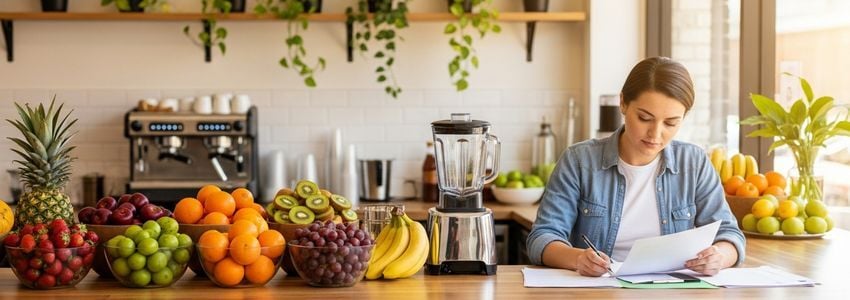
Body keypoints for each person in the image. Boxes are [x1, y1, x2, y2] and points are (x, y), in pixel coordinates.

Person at [526, 57, 745, 277]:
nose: (656, 134)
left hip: (672, 290)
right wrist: (578, 259)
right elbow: (542, 237)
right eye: (644, 118)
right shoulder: (579, 161)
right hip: (598, 290)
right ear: (623, 103)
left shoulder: (694, 163)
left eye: (670, 123)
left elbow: (729, 234)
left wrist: (719, 257)